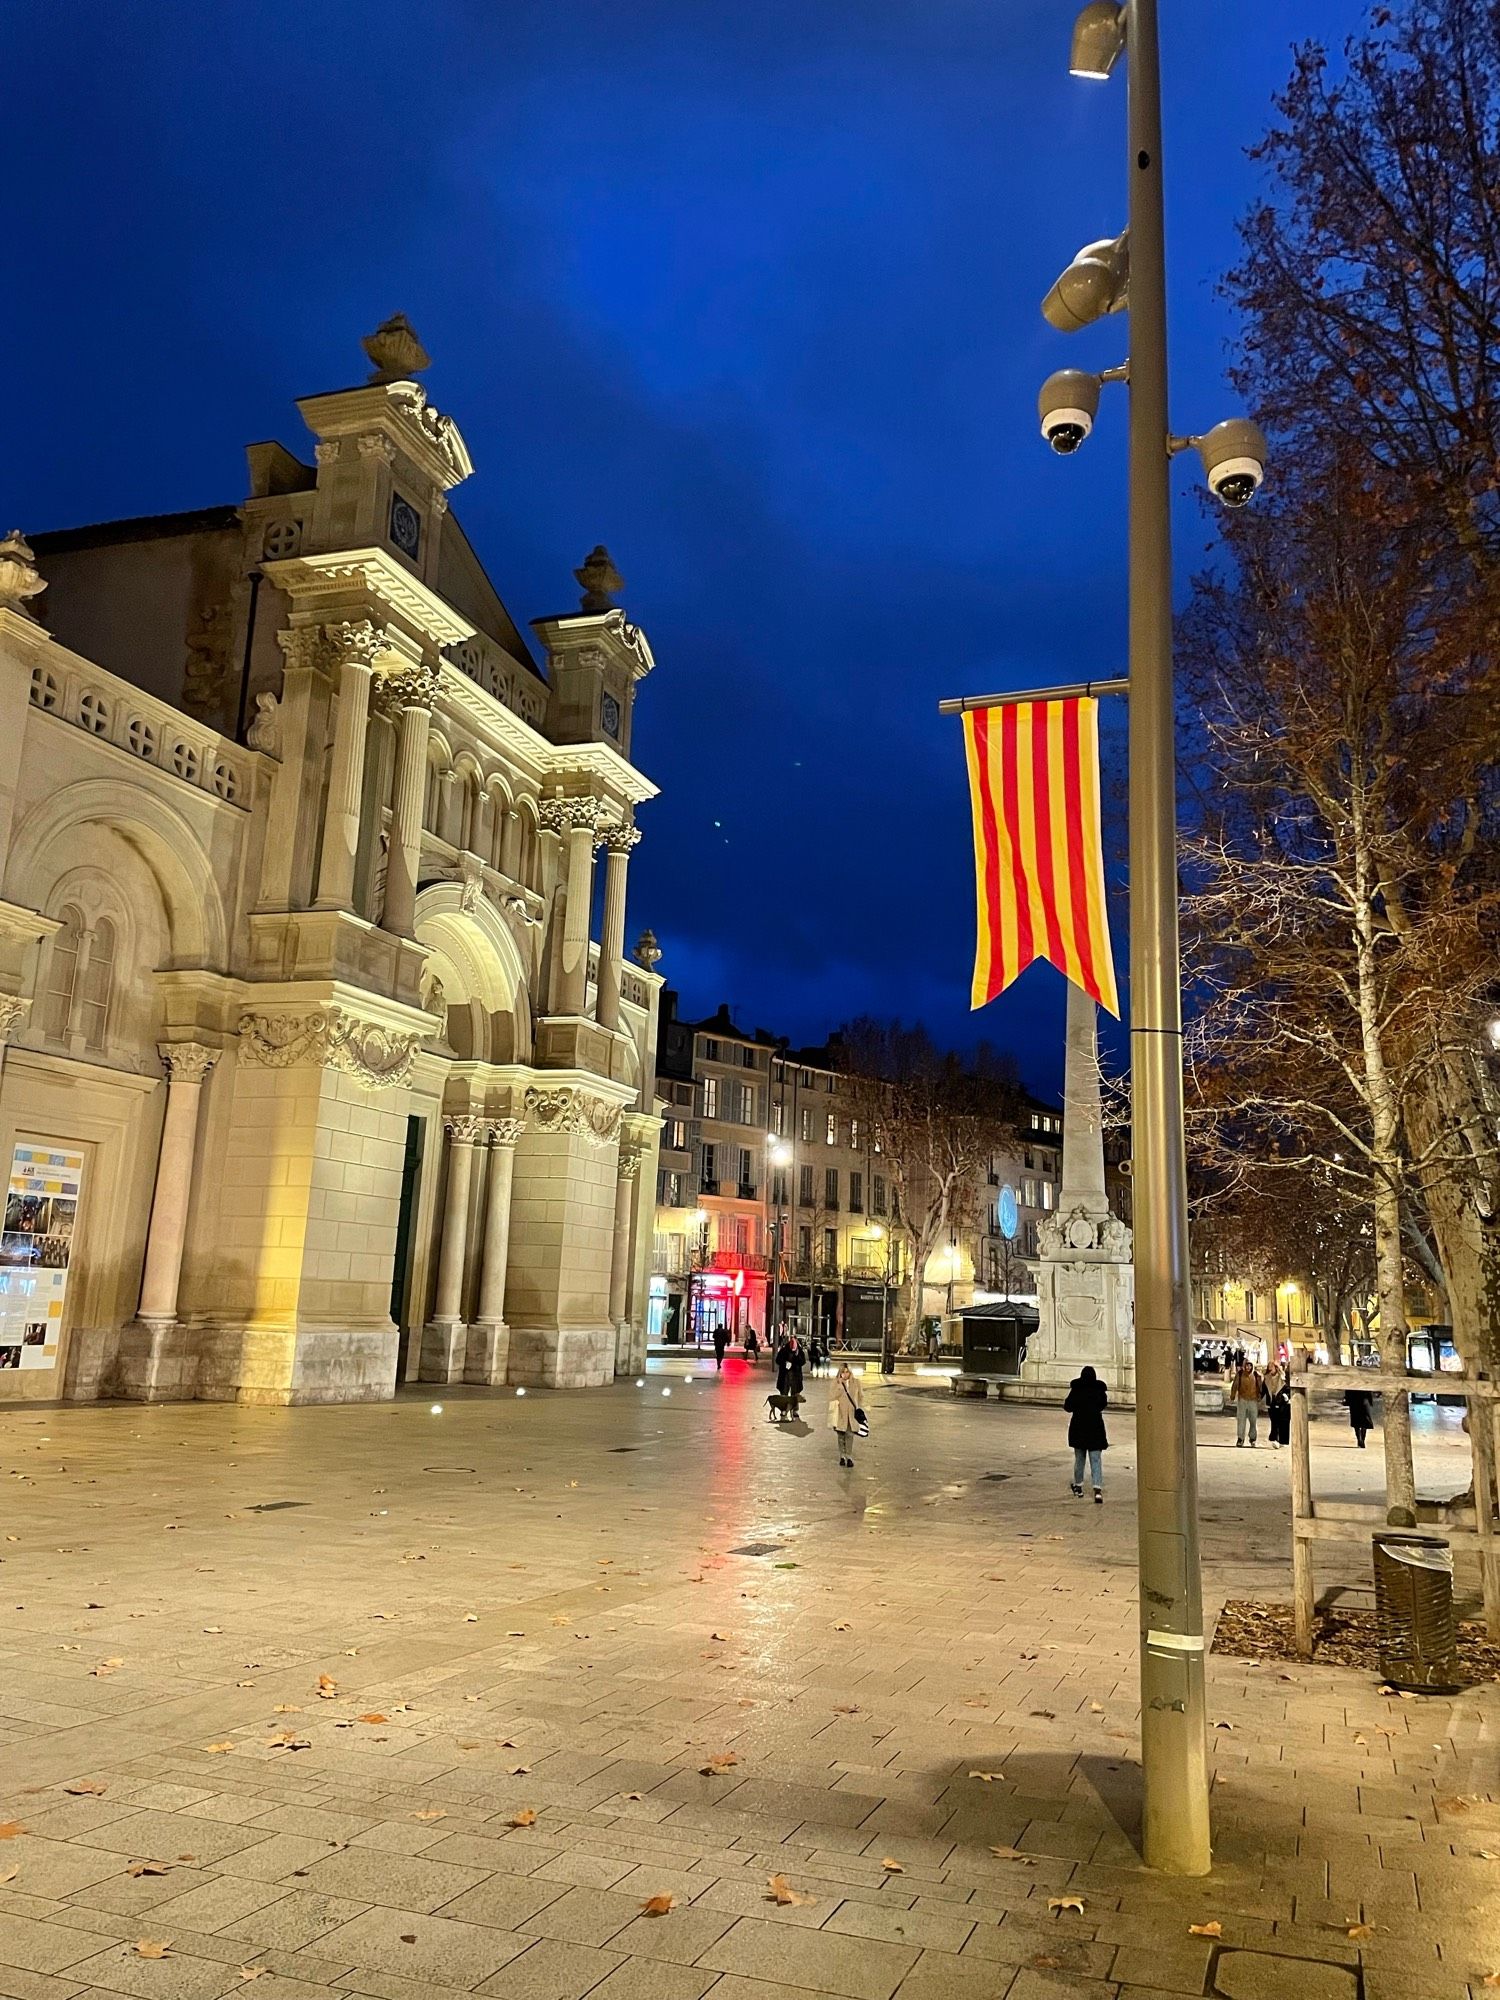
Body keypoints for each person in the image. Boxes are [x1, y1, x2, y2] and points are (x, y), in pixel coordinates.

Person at [1064, 1365, 1109, 1503]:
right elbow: (1103, 1404)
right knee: (1095, 1459)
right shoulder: (1099, 1390)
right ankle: (1097, 1489)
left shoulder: (1077, 1388)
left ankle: (1078, 1486)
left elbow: (1068, 1406)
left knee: (1080, 1459)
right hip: (1095, 1427)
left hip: (1079, 1428)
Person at [829, 1361, 862, 1467]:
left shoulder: (856, 1382)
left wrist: (859, 1408)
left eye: (847, 1372)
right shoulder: (836, 1383)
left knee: (849, 1435)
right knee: (840, 1435)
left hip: (851, 1414)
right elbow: (831, 1396)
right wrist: (840, 1386)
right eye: (843, 1372)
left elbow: (860, 1396)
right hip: (839, 1413)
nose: (845, 1374)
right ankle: (842, 1456)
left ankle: (849, 1456)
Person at [1231, 1354, 1264, 1447]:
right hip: (1242, 1400)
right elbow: (1235, 1385)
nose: (1248, 1367)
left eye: (1250, 1365)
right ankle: (1240, 1438)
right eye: (1247, 1365)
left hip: (1253, 1400)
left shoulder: (1256, 1375)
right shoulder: (1240, 1374)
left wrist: (1260, 1397)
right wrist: (1232, 1396)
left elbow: (1260, 1387)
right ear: (1244, 1365)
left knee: (1253, 1421)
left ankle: (1252, 1438)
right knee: (1241, 1420)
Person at [1264, 1358, 1290, 1448]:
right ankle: (1275, 1438)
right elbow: (1264, 1390)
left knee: (1281, 1421)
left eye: (1272, 1367)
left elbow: (1288, 1388)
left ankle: (1280, 1440)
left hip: (1282, 1402)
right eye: (1269, 1367)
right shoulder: (1266, 1378)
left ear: (1276, 1368)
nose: (1270, 1369)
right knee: (1274, 1421)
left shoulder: (1282, 1377)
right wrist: (1258, 1397)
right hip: (1271, 1402)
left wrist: (1287, 1396)